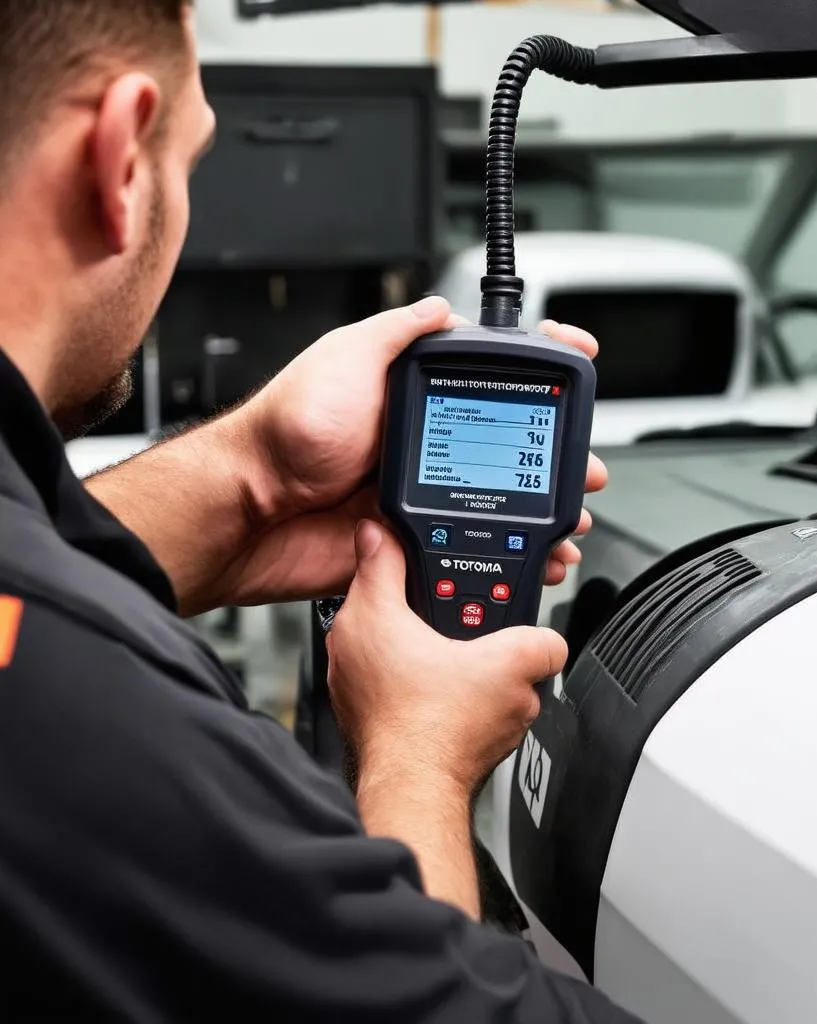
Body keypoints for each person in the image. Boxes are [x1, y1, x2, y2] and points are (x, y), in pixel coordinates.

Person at [0, 2, 642, 1020]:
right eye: (189, 161)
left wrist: (253, 479)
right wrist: (419, 758)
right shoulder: (102, 721)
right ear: (119, 156)